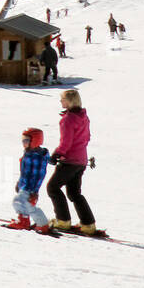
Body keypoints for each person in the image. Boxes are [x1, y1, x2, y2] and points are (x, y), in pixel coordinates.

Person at [46, 89, 96, 234]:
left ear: (69, 101)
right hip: (81, 160)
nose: (61, 102)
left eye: (62, 99)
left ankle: (63, 221)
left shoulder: (68, 119)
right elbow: (87, 137)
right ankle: (88, 223)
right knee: (74, 193)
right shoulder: (84, 117)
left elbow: (66, 142)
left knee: (53, 188)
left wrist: (57, 154)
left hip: (69, 160)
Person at [8, 128, 53, 233]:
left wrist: (33, 191)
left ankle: (39, 224)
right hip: (25, 185)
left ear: (35, 141)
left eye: (26, 140)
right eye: (23, 140)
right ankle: (28, 221)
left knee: (19, 202)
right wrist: (19, 183)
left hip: (30, 188)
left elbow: (37, 175)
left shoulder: (36, 157)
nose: (24, 143)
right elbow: (25, 172)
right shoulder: (29, 153)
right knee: (26, 205)